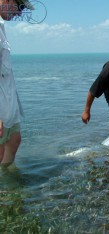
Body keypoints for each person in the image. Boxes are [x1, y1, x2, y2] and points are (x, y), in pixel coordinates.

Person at [0, 0, 34, 168]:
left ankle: (8, 186)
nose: (20, 13)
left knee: (14, 140)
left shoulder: (1, 26)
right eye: (20, 6)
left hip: (8, 105)